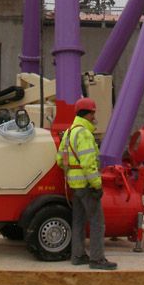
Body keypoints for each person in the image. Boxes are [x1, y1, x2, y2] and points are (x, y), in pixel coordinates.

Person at [56, 97, 117, 270]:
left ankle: (78, 256)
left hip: (75, 187)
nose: (94, 116)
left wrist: (72, 172)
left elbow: (60, 160)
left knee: (79, 221)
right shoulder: (84, 133)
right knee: (97, 222)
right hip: (87, 186)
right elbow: (88, 163)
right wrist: (97, 184)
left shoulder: (69, 132)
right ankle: (97, 259)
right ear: (89, 114)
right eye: (93, 113)